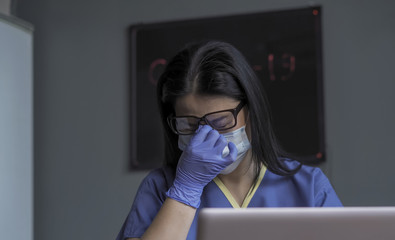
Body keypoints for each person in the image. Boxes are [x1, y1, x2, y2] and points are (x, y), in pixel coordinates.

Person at [117, 40, 342, 240]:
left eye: (221, 122)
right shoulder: (159, 187)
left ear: (251, 113)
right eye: (190, 125)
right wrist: (186, 189)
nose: (205, 137)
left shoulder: (308, 187)